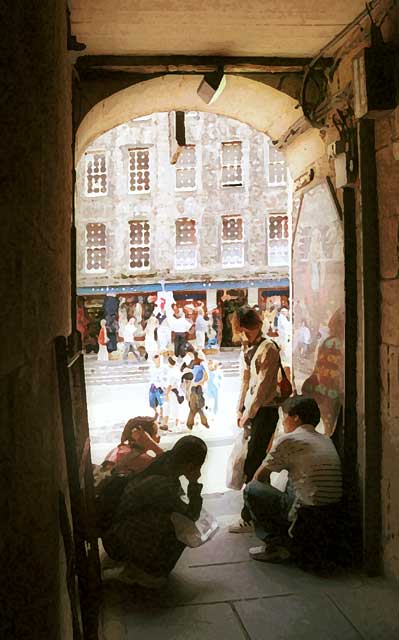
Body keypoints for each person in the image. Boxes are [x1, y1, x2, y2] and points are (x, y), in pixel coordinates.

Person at [244, 396, 342, 564]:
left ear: (296, 417)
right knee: (294, 477)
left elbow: (259, 477)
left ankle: (275, 545)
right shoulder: (326, 439)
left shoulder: (288, 440)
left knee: (252, 489)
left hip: (305, 514)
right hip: (332, 513)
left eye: (285, 417)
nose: (283, 423)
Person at [101, 436, 208, 587]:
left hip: (117, 532)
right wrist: (194, 484)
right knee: (181, 528)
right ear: (191, 465)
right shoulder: (163, 484)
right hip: (118, 542)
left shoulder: (164, 463)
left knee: (173, 519)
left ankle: (137, 566)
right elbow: (190, 516)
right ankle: (145, 572)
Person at [229, 306, 280, 533]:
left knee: (254, 463)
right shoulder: (248, 347)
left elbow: (262, 389)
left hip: (265, 411)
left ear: (258, 325)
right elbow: (245, 380)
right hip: (252, 411)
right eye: (242, 331)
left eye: (247, 331)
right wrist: (239, 408)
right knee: (255, 462)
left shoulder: (268, 348)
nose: (244, 335)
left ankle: (249, 516)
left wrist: (247, 412)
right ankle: (262, 510)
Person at [187, 353, 209, 430]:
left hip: (198, 388)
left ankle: (203, 422)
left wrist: (198, 383)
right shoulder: (191, 366)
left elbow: (206, 377)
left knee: (199, 406)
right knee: (193, 407)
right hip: (193, 387)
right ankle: (191, 423)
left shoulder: (201, 367)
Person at [165, 357, 184, 432]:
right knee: (176, 409)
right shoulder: (177, 370)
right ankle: (177, 425)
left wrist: (166, 394)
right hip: (178, 391)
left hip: (173, 392)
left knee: (174, 410)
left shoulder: (172, 372)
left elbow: (170, 385)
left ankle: (177, 426)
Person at [148, 354, 167, 423]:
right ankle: (156, 413)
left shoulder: (163, 368)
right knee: (152, 402)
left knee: (161, 403)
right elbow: (151, 377)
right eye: (156, 359)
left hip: (160, 387)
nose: (157, 361)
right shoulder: (152, 368)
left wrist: (163, 386)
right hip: (153, 386)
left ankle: (161, 416)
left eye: (158, 359)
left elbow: (164, 378)